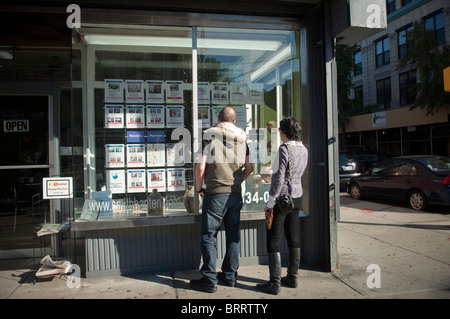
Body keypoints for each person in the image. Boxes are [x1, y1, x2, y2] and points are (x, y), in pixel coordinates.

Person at [190, 106, 253, 293]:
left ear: (218, 119)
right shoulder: (243, 139)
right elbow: (249, 167)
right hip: (235, 193)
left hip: (215, 193)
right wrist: (239, 181)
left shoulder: (209, 137)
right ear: (234, 122)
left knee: (209, 236)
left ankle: (209, 279)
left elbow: (200, 168)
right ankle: (230, 276)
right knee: (233, 236)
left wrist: (199, 188)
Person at [256, 117, 308, 295]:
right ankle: (292, 277)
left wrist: (270, 202)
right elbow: (298, 174)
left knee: (273, 238)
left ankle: (274, 282)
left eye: (280, 130)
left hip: (282, 199)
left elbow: (278, 180)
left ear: (284, 132)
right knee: (293, 237)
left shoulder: (284, 149)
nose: (279, 132)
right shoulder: (304, 149)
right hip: (297, 197)